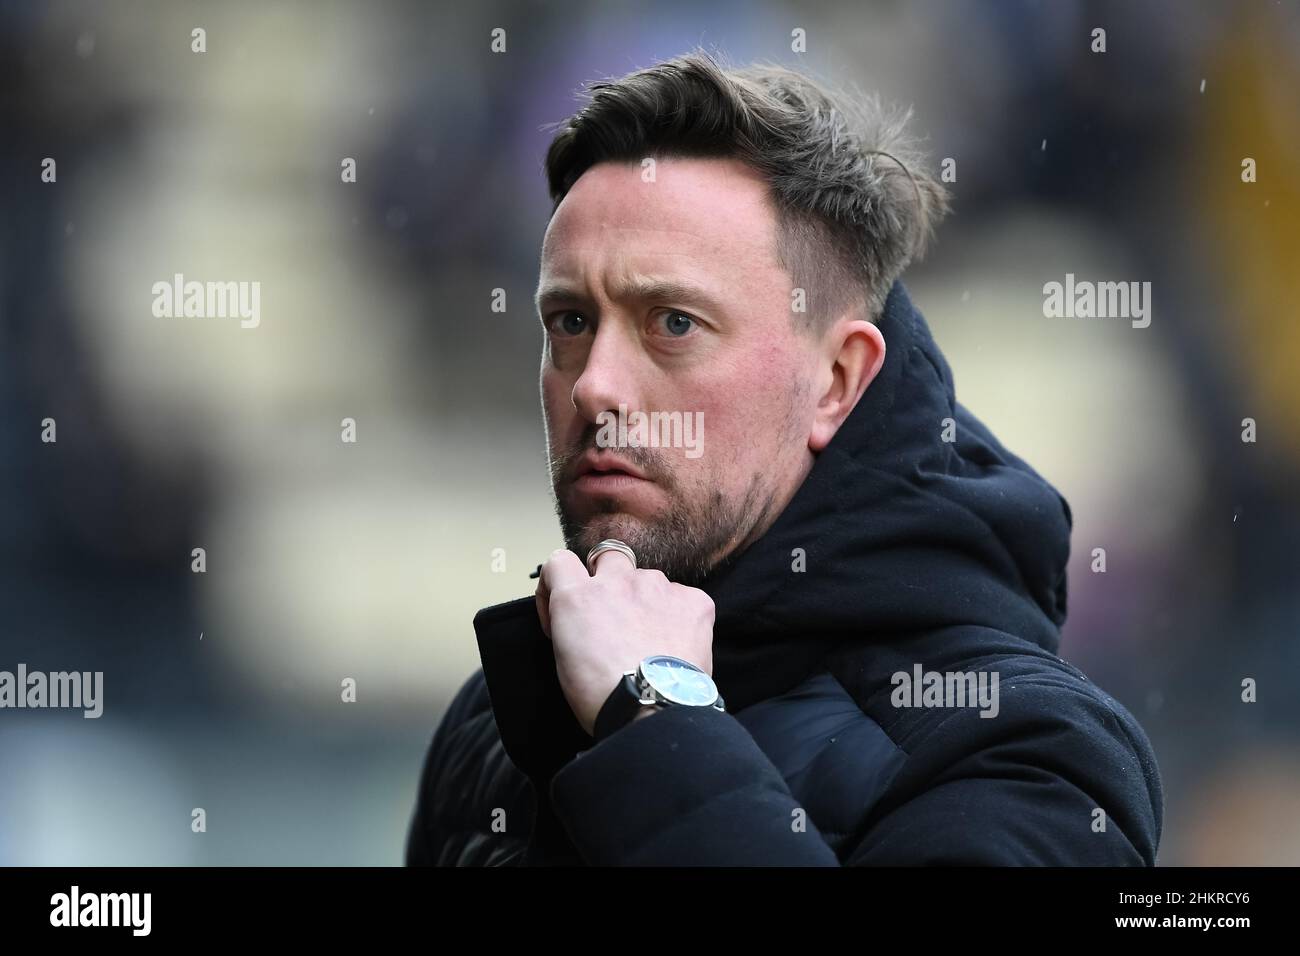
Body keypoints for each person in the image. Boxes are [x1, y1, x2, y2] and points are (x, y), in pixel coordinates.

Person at [404, 50, 1163, 866]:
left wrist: (657, 718)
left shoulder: (1024, 750)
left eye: (673, 323)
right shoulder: (494, 722)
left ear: (836, 381)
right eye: (571, 322)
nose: (594, 388)